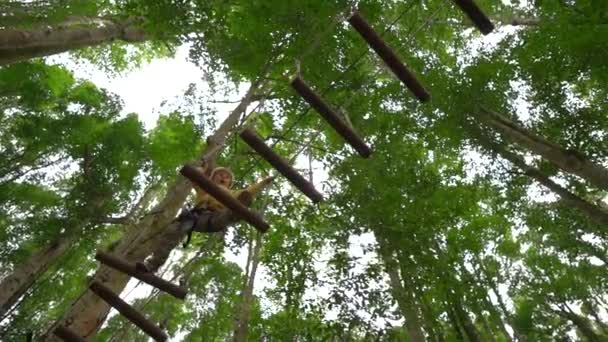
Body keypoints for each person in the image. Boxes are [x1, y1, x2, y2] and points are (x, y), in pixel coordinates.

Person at [136, 165, 273, 273]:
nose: (223, 177)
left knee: (237, 205)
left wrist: (264, 182)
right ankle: (152, 264)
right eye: (220, 175)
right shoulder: (205, 188)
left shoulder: (232, 193)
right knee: (172, 232)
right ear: (212, 178)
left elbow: (249, 191)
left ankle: (239, 213)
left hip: (217, 217)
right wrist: (202, 169)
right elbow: (195, 178)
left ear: (230, 183)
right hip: (197, 217)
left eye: (226, 177)